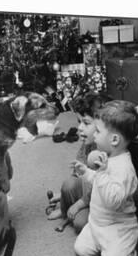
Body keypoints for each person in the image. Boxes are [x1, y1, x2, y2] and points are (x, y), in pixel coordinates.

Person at [73, 100, 138, 256]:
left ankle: (128, 245)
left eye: (97, 131)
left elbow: (113, 201)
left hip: (117, 226)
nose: (94, 135)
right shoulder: (108, 157)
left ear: (114, 139)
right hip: (97, 223)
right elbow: (99, 181)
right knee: (80, 249)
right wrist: (86, 172)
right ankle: (101, 241)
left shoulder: (125, 168)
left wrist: (102, 173)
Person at [46, 92, 110, 232]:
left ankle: (76, 209)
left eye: (86, 123)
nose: (80, 127)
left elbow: (101, 187)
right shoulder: (87, 144)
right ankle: (64, 211)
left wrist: (80, 204)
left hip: (103, 198)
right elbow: (76, 175)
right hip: (88, 190)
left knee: (80, 224)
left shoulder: (107, 152)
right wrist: (65, 196)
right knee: (68, 185)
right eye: (79, 122)